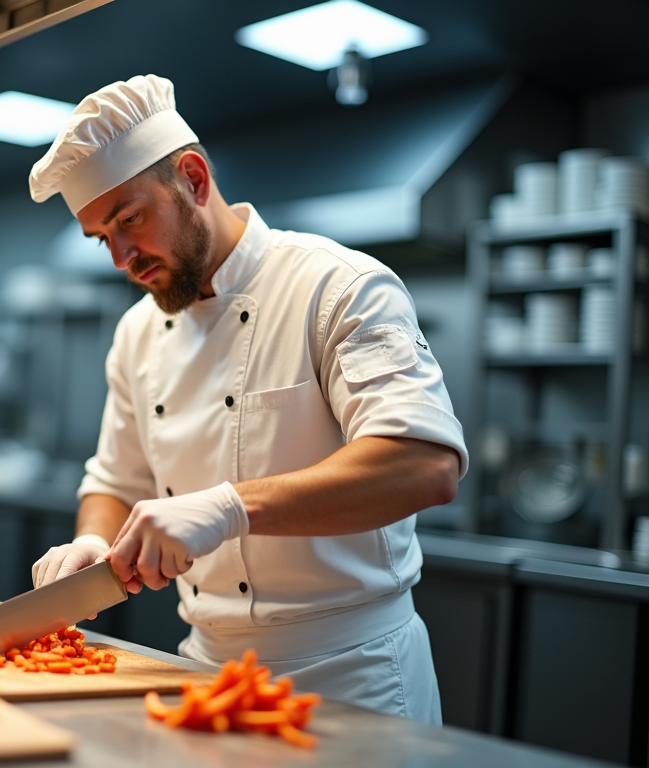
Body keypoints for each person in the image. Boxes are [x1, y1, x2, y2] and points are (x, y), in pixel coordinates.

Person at [28, 75, 467, 724]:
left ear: (195, 179)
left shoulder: (338, 287)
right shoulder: (137, 333)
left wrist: (232, 508)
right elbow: (115, 480)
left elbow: (423, 465)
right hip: (203, 671)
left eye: (129, 220)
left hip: (352, 679)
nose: (122, 257)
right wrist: (93, 543)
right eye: (102, 238)